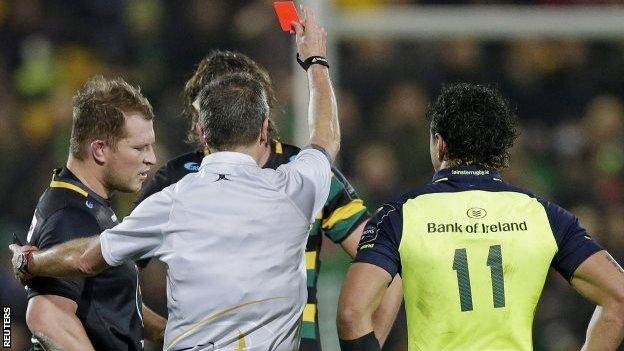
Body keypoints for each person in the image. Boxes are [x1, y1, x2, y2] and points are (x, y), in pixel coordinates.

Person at [11, 7, 340, 350]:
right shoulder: (294, 188)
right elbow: (325, 136)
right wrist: (315, 60)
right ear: (263, 130)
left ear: (201, 133)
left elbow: (86, 258)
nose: (150, 159)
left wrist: (31, 261)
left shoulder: (172, 201)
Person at [132, 51, 402, 351]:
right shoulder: (177, 177)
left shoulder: (305, 172)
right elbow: (113, 280)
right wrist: (164, 330)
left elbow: (385, 260)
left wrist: (366, 344)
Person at [336, 83, 624, 351]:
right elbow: (619, 297)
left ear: (440, 144)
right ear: (501, 149)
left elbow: (352, 314)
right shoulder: (544, 215)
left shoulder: (400, 215)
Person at [14, 76, 166, 351]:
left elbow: (113, 303)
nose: (152, 158)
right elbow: (45, 318)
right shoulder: (71, 216)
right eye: (139, 147)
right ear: (99, 149)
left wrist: (175, 333)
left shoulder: (87, 204)